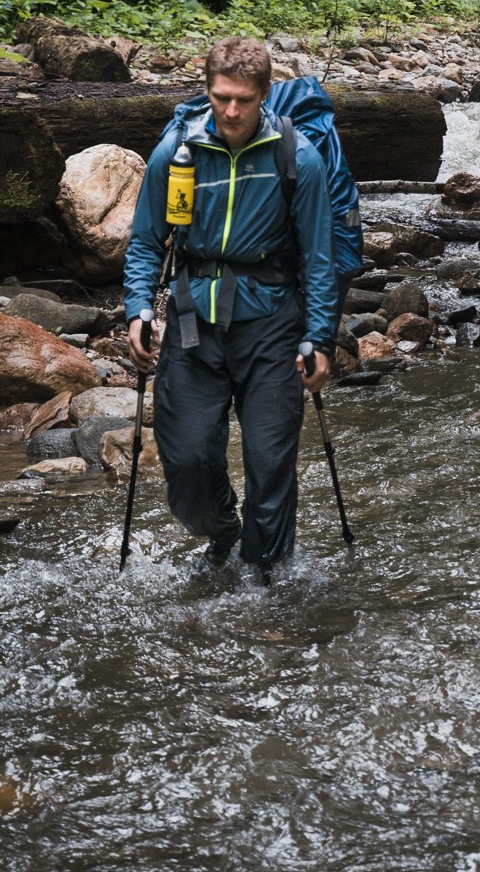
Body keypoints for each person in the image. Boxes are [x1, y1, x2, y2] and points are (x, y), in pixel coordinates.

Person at [122, 38, 339, 572]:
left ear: (265, 94)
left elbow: (318, 258)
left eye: (243, 99)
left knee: (269, 468)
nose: (231, 111)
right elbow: (148, 240)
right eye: (221, 98)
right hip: (195, 321)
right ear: (208, 91)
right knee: (188, 462)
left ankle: (265, 580)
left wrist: (320, 338)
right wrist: (138, 310)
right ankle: (223, 533)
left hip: (272, 325)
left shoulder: (297, 158)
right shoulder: (177, 152)